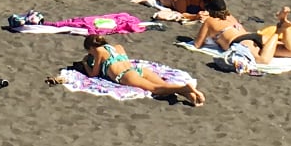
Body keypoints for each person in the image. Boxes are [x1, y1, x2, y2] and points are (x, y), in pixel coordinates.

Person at [72, 33, 205, 105]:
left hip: (125, 75)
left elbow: (93, 75)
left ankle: (186, 88)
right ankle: (190, 96)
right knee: (164, 85)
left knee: (155, 89)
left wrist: (85, 63)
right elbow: (125, 60)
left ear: (91, 48)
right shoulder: (117, 47)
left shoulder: (98, 52)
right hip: (137, 69)